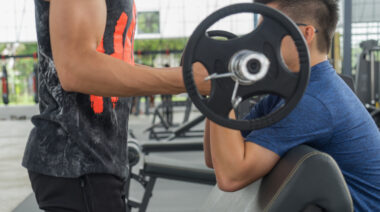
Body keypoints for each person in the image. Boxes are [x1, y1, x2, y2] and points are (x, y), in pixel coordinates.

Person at [22, 0, 209, 211]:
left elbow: (111, 62)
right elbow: (77, 68)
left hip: (97, 162)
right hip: (77, 161)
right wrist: (185, 80)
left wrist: (183, 79)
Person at [204, 0, 380, 211]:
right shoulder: (291, 91)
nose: (258, 42)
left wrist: (219, 87)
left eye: (268, 31)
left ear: (305, 35)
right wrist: (215, 86)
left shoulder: (313, 100)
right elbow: (217, 159)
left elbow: (231, 177)